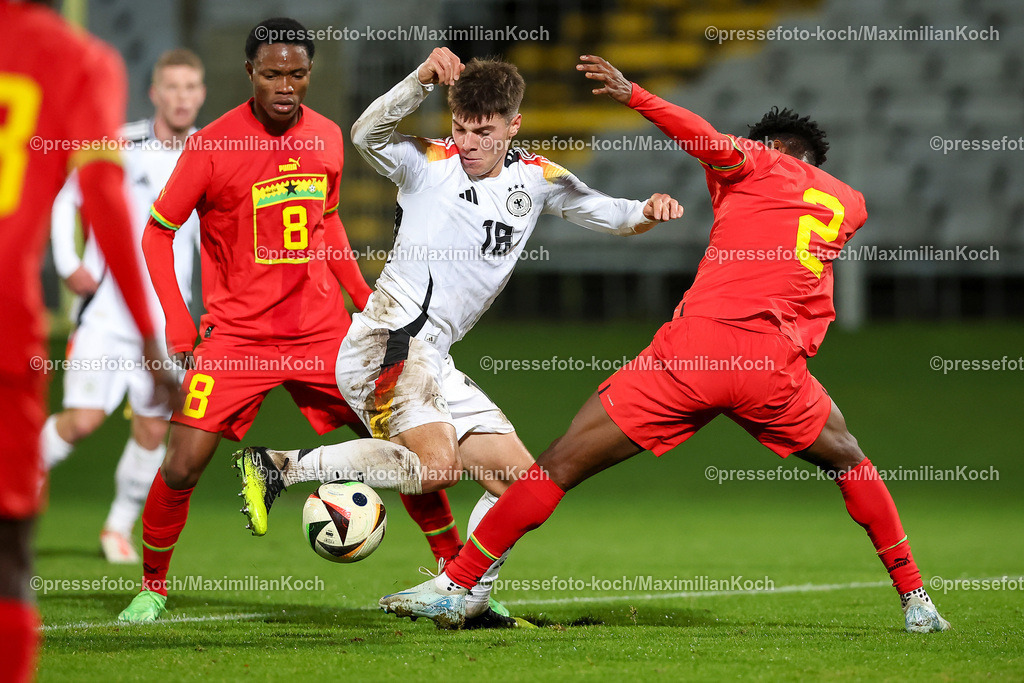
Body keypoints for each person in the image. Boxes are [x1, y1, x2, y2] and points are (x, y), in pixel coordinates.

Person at [377, 54, 952, 634]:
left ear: (770, 146)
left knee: (556, 465)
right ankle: (916, 599)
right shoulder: (850, 203)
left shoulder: (754, 161)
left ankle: (456, 585)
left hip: (692, 356)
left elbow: (700, 136)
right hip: (771, 369)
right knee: (850, 460)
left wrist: (632, 93)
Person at [234, 47, 681, 628]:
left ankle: (463, 593)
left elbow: (610, 213)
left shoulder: (537, 178)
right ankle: (281, 466)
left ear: (512, 126)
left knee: (523, 485)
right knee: (437, 467)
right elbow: (367, 133)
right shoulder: (427, 163)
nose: (468, 142)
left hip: (432, 356)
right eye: (460, 128)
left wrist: (649, 208)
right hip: (387, 339)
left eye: (483, 132)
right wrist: (419, 80)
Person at [115, 17, 384, 623]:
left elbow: (329, 220)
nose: (285, 86)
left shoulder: (328, 136)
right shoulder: (212, 144)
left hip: (321, 331)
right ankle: (152, 587)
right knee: (182, 461)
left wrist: (360, 293)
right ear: (249, 74)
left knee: (398, 442)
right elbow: (157, 234)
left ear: (310, 74)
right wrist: (179, 323)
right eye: (272, 74)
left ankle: (456, 574)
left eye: (297, 74)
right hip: (237, 337)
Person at [0, 1, 178, 678]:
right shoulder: (77, 59)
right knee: (8, 555)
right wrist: (149, 337)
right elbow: (101, 201)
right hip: (8, 324)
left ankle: (115, 526)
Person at [43, 48, 205, 564]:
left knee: (155, 427)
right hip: (108, 316)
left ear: (200, 95)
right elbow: (66, 197)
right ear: (156, 93)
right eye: (172, 87)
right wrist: (69, 262)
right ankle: (20, 475)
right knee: (83, 420)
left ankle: (116, 527)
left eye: (191, 87)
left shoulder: (211, 151)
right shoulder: (119, 142)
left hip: (166, 322)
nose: (182, 97)